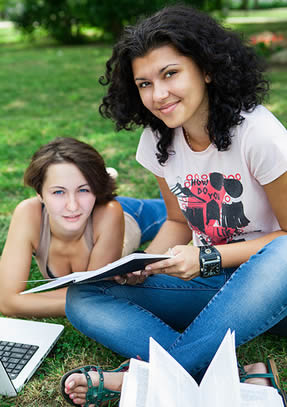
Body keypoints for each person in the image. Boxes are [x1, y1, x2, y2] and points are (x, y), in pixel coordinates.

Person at [61, 5, 287, 406]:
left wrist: (208, 258)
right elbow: (177, 220)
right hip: (216, 287)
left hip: (273, 287)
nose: (158, 95)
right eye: (144, 83)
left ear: (207, 69)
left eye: (170, 74)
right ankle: (231, 377)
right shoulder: (159, 138)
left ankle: (145, 382)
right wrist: (144, 265)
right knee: (83, 297)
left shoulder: (259, 135)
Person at [0, 137, 166, 318]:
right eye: (58, 192)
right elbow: (6, 302)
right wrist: (92, 301)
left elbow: (94, 297)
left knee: (180, 207)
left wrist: (25, 302)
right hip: (86, 212)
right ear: (40, 194)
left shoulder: (110, 212)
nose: (72, 205)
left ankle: (101, 183)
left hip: (126, 215)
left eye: (83, 189)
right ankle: (94, 182)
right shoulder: (29, 213)